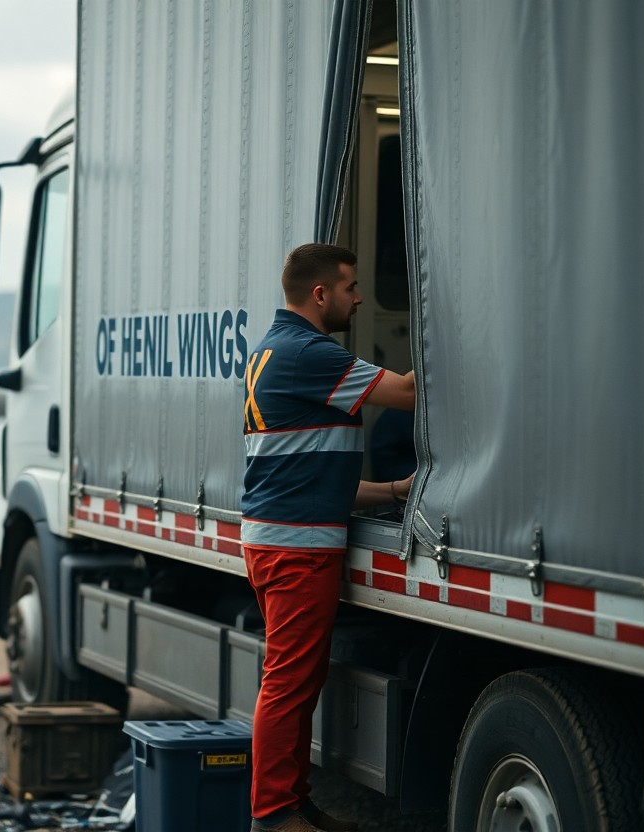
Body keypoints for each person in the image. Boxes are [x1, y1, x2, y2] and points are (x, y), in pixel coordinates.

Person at [241, 243, 416, 832]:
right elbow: (407, 393)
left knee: (298, 678)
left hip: (281, 535)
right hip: (297, 546)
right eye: (350, 286)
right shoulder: (308, 353)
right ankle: (273, 815)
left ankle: (295, 804)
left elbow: (314, 471)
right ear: (321, 294)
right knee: (289, 682)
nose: (359, 298)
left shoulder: (275, 349)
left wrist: (392, 490)